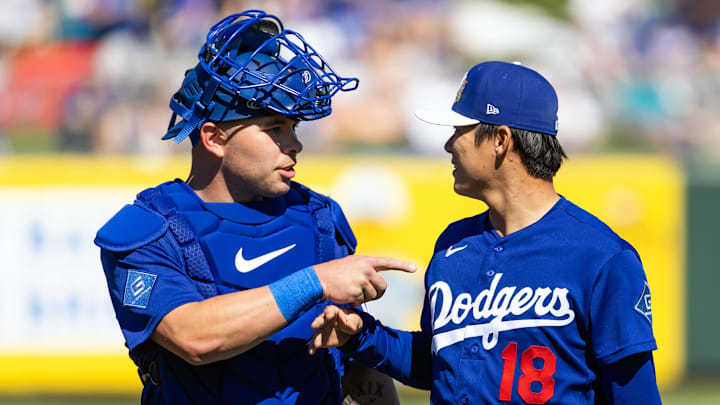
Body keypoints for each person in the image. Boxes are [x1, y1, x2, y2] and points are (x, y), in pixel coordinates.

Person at [94, 10, 416, 405]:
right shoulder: (148, 230)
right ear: (214, 138)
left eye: (294, 128)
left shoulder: (321, 218)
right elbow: (194, 338)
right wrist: (314, 282)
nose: (294, 144)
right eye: (274, 129)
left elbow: (358, 371)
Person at [308, 61, 662, 404]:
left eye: (459, 131)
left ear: (500, 140)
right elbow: (439, 365)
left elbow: (635, 395)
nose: (448, 145)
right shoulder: (452, 245)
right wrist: (361, 335)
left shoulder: (601, 257)